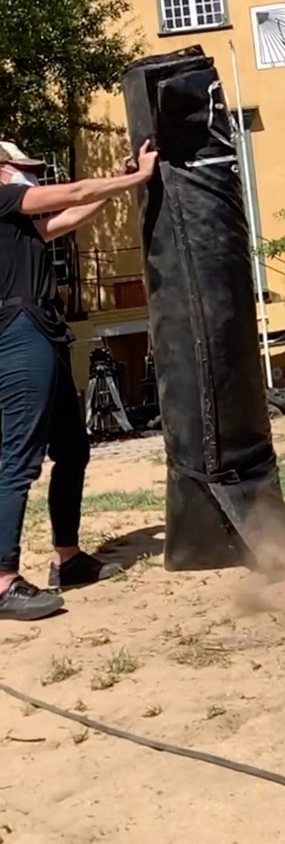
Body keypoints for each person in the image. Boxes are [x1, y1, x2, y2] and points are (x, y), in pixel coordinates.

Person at [0, 137, 158, 621]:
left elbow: (70, 216)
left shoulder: (16, 227)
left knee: (72, 448)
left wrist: (120, 184)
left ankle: (67, 559)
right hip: (17, 331)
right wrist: (139, 176)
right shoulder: (2, 197)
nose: (29, 176)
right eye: (22, 168)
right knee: (19, 458)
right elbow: (73, 192)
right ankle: (3, 581)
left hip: (41, 328)